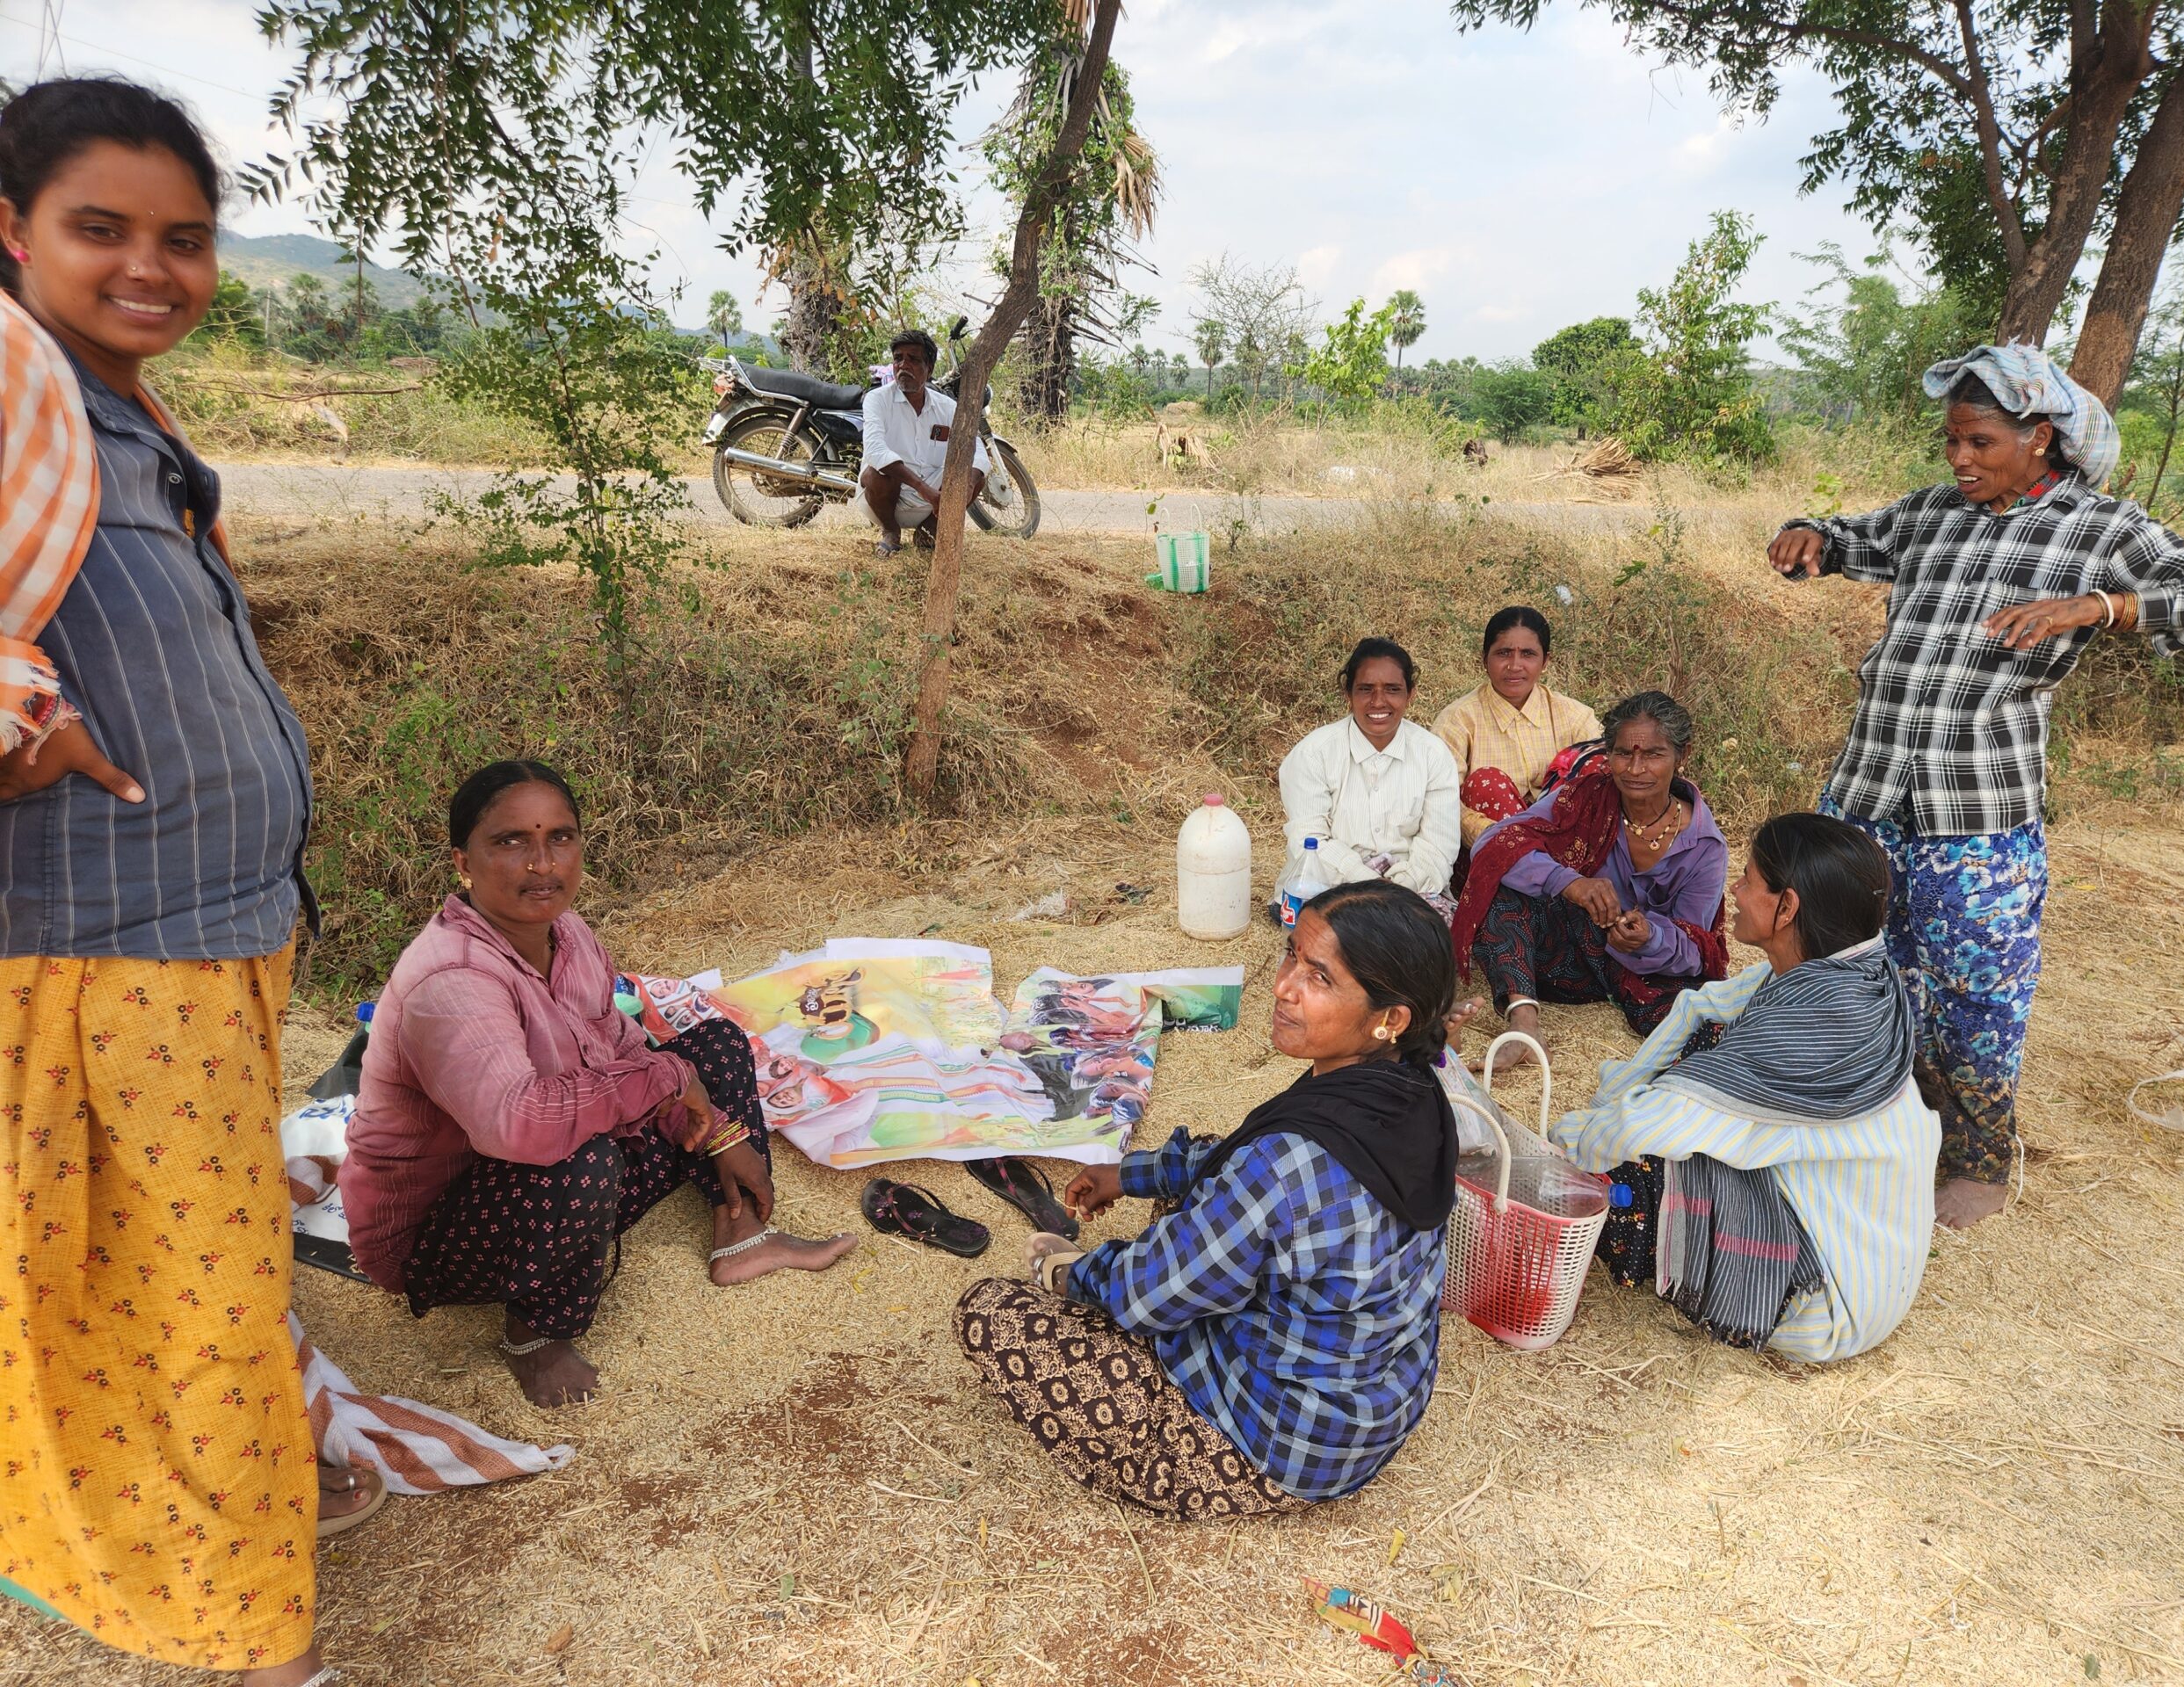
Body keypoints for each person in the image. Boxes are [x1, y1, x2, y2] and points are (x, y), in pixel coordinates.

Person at [0, 78, 370, 1686]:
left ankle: (195, 1516)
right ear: (11, 234)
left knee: (167, 1279)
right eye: (101, 230)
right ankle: (243, 1635)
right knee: (198, 1304)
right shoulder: (12, 398)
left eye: (184, 239)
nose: (150, 267)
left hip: (208, 940)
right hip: (106, 946)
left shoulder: (117, 413)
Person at [1768, 343, 2184, 1229]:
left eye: (1978, 442)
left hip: (1977, 818)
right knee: (1850, 971)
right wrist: (1809, 536)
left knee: (1974, 996)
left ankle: (1980, 1162)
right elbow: (1851, 538)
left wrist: (2098, 606)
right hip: (1867, 793)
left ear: (2039, 438)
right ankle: (1866, 1126)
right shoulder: (1931, 515)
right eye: (1951, 441)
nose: (1958, 459)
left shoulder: (2100, 529)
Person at [342, 762, 856, 1409]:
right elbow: (518, 1127)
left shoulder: (570, 935)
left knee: (713, 1046)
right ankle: (535, 1332)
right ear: (462, 862)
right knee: (585, 1158)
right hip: (443, 1233)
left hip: (550, 1165)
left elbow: (620, 1047)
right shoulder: (450, 979)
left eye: (560, 838)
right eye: (510, 842)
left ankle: (742, 1235)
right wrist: (672, 1082)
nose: (541, 864)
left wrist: (720, 1131)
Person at [954, 880, 1457, 1519]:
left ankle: (1195, 1455)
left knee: (989, 1313)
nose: (1283, 986)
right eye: (1291, 957)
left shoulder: (1284, 1165)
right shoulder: (1414, 1092)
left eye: (1320, 978)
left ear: (1390, 1018)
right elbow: (1229, 1164)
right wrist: (1129, 1174)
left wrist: (1074, 1275)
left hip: (1283, 1449)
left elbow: (1144, 1296)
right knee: (1210, 1189)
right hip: (1375, 1404)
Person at [1550, 814, 1939, 1362]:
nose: (1736, 888)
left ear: (1788, 907)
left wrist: (1562, 1150)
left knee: (1628, 1178)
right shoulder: (1849, 972)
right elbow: (1700, 1007)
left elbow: (1646, 1125)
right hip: (1869, 1274)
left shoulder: (1811, 1026)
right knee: (1706, 1049)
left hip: (1821, 1308)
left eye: (1751, 879)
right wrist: (1617, 1099)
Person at [1454, 691, 1727, 1070]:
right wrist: (1570, 883)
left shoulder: (1703, 845)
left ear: (1683, 756)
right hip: (1559, 961)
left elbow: (1696, 946)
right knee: (1503, 884)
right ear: (1607, 753)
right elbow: (1493, 842)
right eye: (1622, 753)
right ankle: (1524, 1025)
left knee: (1705, 1019)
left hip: (1638, 971)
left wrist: (1649, 936)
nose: (1634, 768)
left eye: (1653, 754)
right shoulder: (1587, 796)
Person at [1274, 637, 1461, 912]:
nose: (1378, 702)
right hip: (1324, 891)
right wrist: (1368, 882)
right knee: (1350, 942)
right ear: (1347, 694)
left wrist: (1403, 887)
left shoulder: (1433, 755)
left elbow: (1438, 846)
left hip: (1410, 891)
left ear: (1411, 694)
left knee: (1426, 942)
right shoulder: (1314, 754)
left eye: (1392, 689)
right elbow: (1309, 844)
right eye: (1365, 689)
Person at [1433, 605, 1603, 847]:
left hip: (1563, 846)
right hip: (1490, 849)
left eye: (1528, 654)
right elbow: (1440, 799)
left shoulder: (1576, 717)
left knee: (1596, 766)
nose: (1514, 665)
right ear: (1484, 659)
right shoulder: (1457, 721)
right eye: (1503, 653)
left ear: (1545, 661)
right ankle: (1536, 875)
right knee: (1487, 783)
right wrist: (1506, 838)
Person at [859, 326, 987, 555]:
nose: (903, 365)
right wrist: (923, 489)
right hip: (887, 499)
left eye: (913, 360)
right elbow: (875, 451)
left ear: (929, 369)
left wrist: (967, 484)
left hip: (936, 503)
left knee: (977, 477)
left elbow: (977, 450)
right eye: (898, 359)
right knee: (875, 473)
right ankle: (891, 531)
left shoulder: (948, 407)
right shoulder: (877, 399)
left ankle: (928, 531)